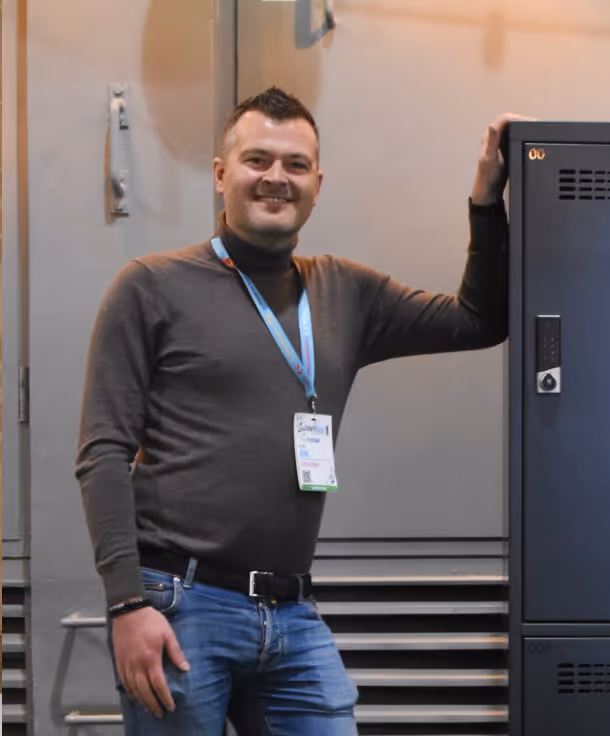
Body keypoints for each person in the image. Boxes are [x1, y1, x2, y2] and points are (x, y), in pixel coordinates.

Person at [74, 86, 521, 734]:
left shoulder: (346, 291)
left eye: (295, 164)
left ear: (317, 183)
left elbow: (479, 321)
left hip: (291, 609)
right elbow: (103, 453)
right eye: (258, 160)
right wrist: (126, 604)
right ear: (222, 174)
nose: (276, 178)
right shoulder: (150, 287)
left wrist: (487, 201)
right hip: (180, 604)